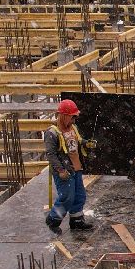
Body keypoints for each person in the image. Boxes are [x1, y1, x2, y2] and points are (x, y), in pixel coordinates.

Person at [44, 98, 94, 232]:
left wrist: (85, 143)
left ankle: (77, 220)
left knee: (79, 195)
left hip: (75, 167)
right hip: (64, 170)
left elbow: (77, 141)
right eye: (72, 117)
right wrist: (60, 170)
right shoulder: (52, 133)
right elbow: (51, 155)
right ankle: (53, 219)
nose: (74, 120)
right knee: (67, 196)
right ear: (64, 116)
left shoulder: (73, 128)